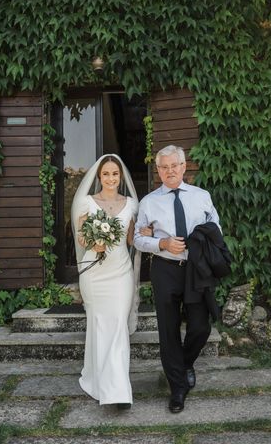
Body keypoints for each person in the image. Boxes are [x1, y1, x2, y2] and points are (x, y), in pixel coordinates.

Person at [134, 145, 221, 413]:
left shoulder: (201, 196)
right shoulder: (148, 202)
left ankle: (183, 364)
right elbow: (138, 238)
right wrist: (162, 243)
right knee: (168, 330)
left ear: (184, 167)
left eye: (175, 165)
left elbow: (217, 228)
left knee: (200, 327)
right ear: (158, 170)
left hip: (196, 269)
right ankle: (178, 388)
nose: (170, 171)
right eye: (164, 167)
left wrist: (202, 243)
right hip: (165, 269)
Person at [70, 154, 150, 410]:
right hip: (94, 275)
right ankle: (97, 378)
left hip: (120, 273)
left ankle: (117, 390)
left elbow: (130, 241)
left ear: (121, 177)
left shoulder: (130, 205)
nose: (111, 178)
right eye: (106, 174)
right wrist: (96, 242)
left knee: (116, 326)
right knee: (99, 326)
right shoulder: (86, 202)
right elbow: (82, 239)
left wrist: (144, 233)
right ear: (99, 177)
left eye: (115, 174)